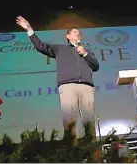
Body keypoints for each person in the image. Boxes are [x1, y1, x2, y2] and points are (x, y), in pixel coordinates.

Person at [16, 16, 100, 144]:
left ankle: (95, 156)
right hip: (67, 87)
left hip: (86, 87)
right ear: (67, 36)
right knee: (69, 121)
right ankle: (72, 154)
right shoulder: (60, 49)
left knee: (89, 122)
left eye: (79, 33)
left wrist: (85, 54)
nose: (78, 33)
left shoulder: (86, 51)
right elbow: (40, 47)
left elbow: (96, 67)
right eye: (74, 32)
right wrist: (29, 29)